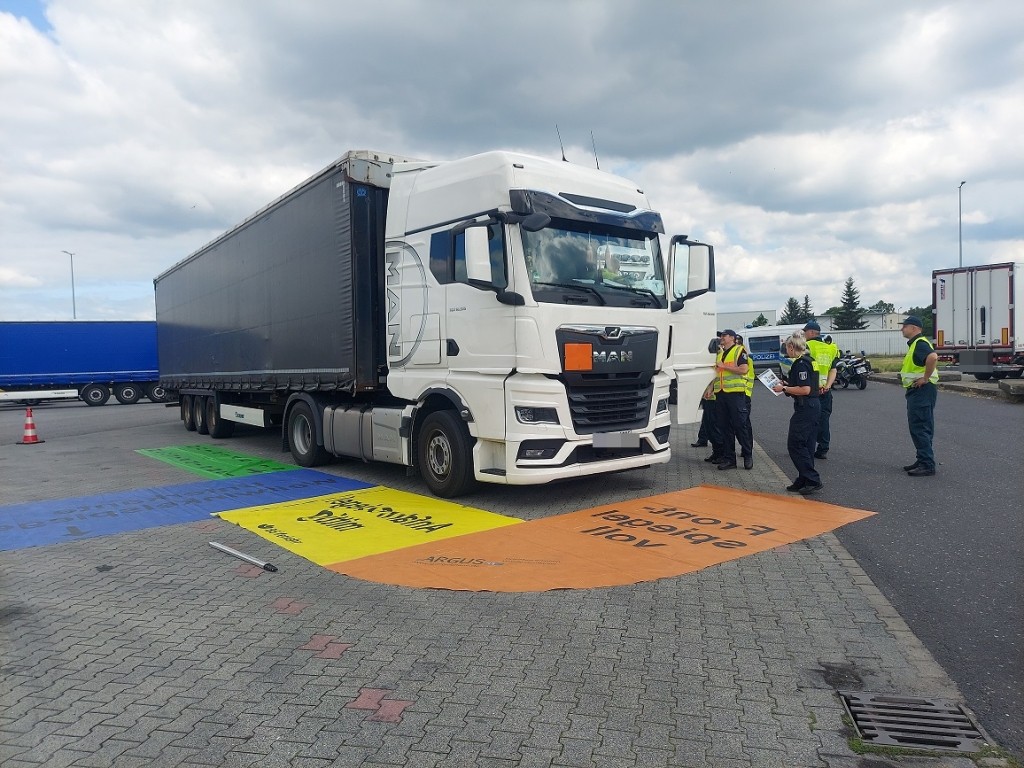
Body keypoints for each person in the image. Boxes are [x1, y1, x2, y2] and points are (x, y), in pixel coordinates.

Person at [772, 333, 822, 494]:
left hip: (806, 408)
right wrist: (786, 384)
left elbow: (805, 389)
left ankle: (812, 478)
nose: (786, 350)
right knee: (807, 445)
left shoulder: (800, 364)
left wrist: (784, 388)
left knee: (795, 444)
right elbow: (806, 384)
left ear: (792, 347)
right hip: (813, 406)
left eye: (787, 347)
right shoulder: (810, 360)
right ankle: (803, 478)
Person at [899, 315, 939, 476]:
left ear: (914, 328)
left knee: (920, 426)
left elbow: (933, 357)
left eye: (905, 326)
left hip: (921, 390)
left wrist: (925, 378)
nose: (902, 329)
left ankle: (927, 464)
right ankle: (922, 458)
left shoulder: (920, 343)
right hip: (920, 391)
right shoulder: (916, 344)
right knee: (921, 425)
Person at [713, 329, 754, 470]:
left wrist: (724, 366)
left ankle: (748, 455)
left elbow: (744, 369)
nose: (722, 338)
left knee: (740, 426)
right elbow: (716, 375)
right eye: (721, 336)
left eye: (724, 336)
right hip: (721, 393)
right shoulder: (719, 354)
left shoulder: (739, 350)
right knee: (724, 428)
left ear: (732, 338)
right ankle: (730, 459)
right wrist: (709, 389)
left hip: (735, 394)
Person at [802, 320, 840, 459]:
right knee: (824, 419)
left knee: (808, 419)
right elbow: (833, 370)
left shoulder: (807, 346)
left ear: (811, 332)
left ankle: (807, 446)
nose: (803, 334)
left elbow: (803, 368)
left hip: (811, 391)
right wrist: (828, 386)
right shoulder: (831, 348)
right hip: (825, 390)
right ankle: (823, 448)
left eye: (805, 332)